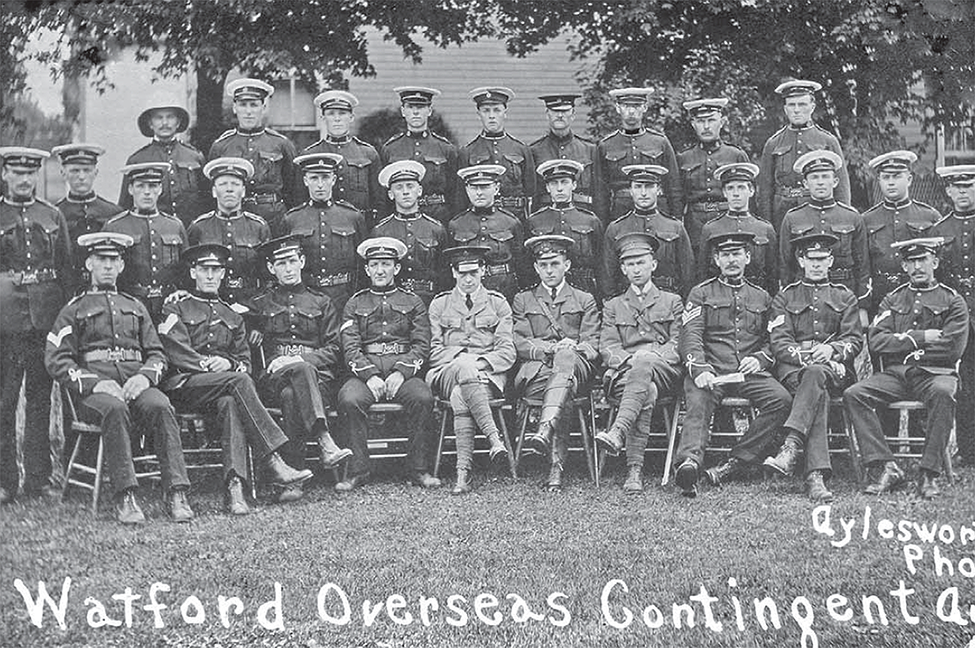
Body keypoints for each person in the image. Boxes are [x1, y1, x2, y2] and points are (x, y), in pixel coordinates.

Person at [45, 232, 192, 524]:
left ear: (122, 266)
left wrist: (146, 378)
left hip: (135, 383)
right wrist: (94, 382)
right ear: (89, 264)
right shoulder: (74, 309)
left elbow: (157, 353)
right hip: (95, 393)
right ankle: (125, 495)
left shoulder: (136, 307)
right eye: (102, 260)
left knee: (161, 406)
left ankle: (176, 491)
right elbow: (55, 358)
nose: (108, 266)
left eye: (114, 260)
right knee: (114, 408)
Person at [158, 243, 313, 514]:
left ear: (222, 274)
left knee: (231, 402)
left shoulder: (232, 315)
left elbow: (244, 362)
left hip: (222, 390)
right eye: (204, 270)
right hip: (185, 385)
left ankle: (235, 489)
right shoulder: (176, 307)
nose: (209, 276)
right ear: (193, 272)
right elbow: (175, 351)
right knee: (237, 384)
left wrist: (229, 362)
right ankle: (274, 460)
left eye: (215, 270)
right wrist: (213, 367)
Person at [845, 237, 969, 499]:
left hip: (936, 374)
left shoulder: (952, 300)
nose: (917, 267)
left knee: (944, 393)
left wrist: (902, 345)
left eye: (923, 260)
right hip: (897, 375)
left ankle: (928, 473)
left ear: (934, 262)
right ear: (903, 266)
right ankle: (885, 466)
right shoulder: (892, 299)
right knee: (855, 394)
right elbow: (877, 341)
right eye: (911, 262)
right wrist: (921, 337)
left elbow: (952, 347)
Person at [672, 232, 791, 498]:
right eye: (725, 255)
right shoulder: (700, 293)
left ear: (747, 258)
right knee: (698, 400)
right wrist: (699, 369)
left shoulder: (762, 297)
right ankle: (689, 464)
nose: (731, 260)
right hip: (712, 370)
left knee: (781, 400)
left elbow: (773, 339)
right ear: (716, 260)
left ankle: (738, 460)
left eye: (737, 254)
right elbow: (690, 335)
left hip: (748, 373)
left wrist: (760, 358)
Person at [248, 235, 351, 502]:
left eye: (292, 261)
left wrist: (303, 361)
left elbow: (334, 348)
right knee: (288, 387)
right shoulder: (260, 304)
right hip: (275, 377)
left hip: (316, 381)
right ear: (271, 268)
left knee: (293, 394)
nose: (289, 268)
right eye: (281, 264)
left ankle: (294, 478)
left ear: (302, 261)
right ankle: (324, 440)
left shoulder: (321, 302)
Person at [336, 237, 440, 491]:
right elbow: (349, 346)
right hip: (365, 371)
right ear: (367, 269)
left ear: (397, 268)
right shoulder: (355, 303)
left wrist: (401, 373)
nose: (380, 270)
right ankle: (358, 470)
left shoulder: (413, 301)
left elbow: (421, 344)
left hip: (402, 369)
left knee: (422, 398)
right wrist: (369, 374)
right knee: (349, 400)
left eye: (386, 264)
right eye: (374, 264)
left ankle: (418, 469)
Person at [765, 233, 862, 502]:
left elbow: (854, 339)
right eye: (811, 259)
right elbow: (779, 341)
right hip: (796, 371)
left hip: (835, 370)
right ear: (801, 261)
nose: (817, 264)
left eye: (822, 259)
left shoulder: (845, 296)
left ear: (830, 261)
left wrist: (833, 350)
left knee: (817, 378)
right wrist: (811, 356)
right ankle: (815, 476)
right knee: (816, 383)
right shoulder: (785, 297)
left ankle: (791, 446)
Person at [0, 147, 71, 504]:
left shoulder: (52, 214)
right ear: (5, 175)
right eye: (17, 173)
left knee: (40, 399)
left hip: (45, 316)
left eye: (30, 174)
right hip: (5, 321)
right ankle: (5, 482)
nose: (24, 180)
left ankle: (39, 478)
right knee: (4, 400)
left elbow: (66, 268)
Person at [594, 232, 683, 493]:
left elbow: (678, 345)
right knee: (647, 390)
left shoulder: (672, 301)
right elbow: (608, 349)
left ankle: (618, 432)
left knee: (644, 362)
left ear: (653, 264)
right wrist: (634, 364)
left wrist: (647, 357)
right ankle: (634, 470)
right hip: (626, 378)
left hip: (665, 372)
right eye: (630, 264)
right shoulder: (613, 306)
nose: (636, 269)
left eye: (641, 262)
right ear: (622, 269)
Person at [427, 245, 516, 494]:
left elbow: (507, 352)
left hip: (486, 377)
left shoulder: (498, 304)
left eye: (474, 273)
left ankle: (461, 474)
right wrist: (464, 361)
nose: (468, 279)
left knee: (460, 396)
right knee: (463, 368)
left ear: (483, 271)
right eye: (462, 273)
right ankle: (494, 439)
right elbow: (434, 352)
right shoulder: (440, 304)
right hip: (446, 372)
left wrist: (477, 365)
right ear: (453, 272)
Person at [513, 235, 600, 491]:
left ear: (567, 265)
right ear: (536, 268)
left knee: (566, 367)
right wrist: (554, 348)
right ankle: (556, 466)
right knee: (564, 386)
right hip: (537, 373)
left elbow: (592, 345)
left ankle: (544, 432)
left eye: (555, 263)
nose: (549, 271)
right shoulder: (524, 300)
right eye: (544, 265)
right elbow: (520, 343)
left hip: (577, 368)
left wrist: (571, 349)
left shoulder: (584, 299)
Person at [779, 151, 869, 316]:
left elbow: (862, 266)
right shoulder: (793, 218)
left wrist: (862, 307)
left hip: (843, 293)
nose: (820, 182)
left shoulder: (852, 217)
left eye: (825, 176)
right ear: (805, 183)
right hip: (803, 296)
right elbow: (785, 265)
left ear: (835, 181)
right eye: (814, 177)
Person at [275, 152, 366, 314]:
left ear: (334, 180)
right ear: (305, 181)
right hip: (306, 300)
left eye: (325, 177)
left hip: (344, 297)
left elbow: (362, 263)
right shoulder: (292, 219)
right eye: (314, 178)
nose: (320, 185)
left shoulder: (352, 217)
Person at [757, 79, 851, 231]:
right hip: (782, 211)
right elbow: (765, 191)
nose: (796, 110)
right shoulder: (773, 143)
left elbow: (842, 188)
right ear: (785, 109)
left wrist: (843, 220)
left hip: (818, 210)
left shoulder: (827, 141)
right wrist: (767, 225)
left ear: (812, 107)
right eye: (792, 105)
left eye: (802, 104)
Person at [103, 162, 187, 322]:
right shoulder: (115, 226)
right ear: (130, 189)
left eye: (153, 186)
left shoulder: (174, 225)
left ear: (160, 189)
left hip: (168, 306)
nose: (147, 192)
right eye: (140, 186)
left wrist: (181, 292)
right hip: (130, 306)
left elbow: (186, 270)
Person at [209, 78, 298, 228]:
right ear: (235, 108)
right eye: (243, 105)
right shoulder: (221, 146)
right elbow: (211, 190)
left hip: (273, 217)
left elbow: (294, 188)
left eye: (254, 105)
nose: (248, 111)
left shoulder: (281, 144)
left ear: (263, 107)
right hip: (234, 217)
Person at [931, 164, 975, 464]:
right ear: (948, 190)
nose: (962, 192)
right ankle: (969, 451)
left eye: (968, 186)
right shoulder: (939, 230)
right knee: (966, 382)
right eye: (957, 187)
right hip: (958, 318)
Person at [187, 157, 270, 305]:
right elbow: (188, 271)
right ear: (214, 191)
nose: (229, 189)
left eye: (235, 184)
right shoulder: (199, 227)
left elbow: (269, 273)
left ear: (243, 191)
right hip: (211, 304)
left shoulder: (259, 226)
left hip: (251, 302)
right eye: (223, 184)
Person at [602, 164, 694, 298]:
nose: (643, 193)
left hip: (667, 299)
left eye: (649, 186)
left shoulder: (675, 227)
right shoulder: (616, 228)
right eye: (638, 187)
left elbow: (688, 274)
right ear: (631, 191)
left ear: (658, 189)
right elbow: (607, 275)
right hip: (627, 300)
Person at [593, 87, 682, 223]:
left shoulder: (660, 142)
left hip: (657, 211)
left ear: (645, 107)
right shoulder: (606, 145)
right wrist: (603, 224)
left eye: (636, 106)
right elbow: (600, 192)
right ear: (618, 108)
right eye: (626, 106)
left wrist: (676, 219)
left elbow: (673, 185)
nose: (631, 111)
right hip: (620, 212)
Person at [371, 160, 449, 305]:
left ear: (419, 191)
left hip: (429, 300)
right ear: (390, 194)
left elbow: (444, 273)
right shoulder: (380, 231)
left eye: (410, 186)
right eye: (399, 187)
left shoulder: (436, 229)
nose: (405, 192)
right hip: (393, 302)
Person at [677, 98, 750, 252]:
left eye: (711, 120)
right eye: (701, 121)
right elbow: (677, 197)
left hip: (728, 221)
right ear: (693, 124)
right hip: (695, 224)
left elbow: (749, 196)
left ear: (722, 122)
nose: (706, 126)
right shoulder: (684, 158)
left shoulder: (736, 155)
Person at [526, 159, 605, 300]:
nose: (559, 188)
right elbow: (528, 261)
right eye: (554, 183)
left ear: (574, 185)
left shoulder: (590, 220)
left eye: (564, 182)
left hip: (584, 285)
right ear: (547, 188)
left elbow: (600, 260)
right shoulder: (535, 221)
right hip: (547, 288)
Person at [447, 164, 527, 301]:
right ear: (466, 190)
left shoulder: (511, 222)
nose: (479, 193)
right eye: (474, 187)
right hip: (469, 289)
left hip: (504, 288)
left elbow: (521, 264)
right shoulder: (456, 224)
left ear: (496, 188)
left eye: (484, 187)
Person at [118, 103, 207, 225]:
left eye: (170, 117)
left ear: (178, 122)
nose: (165, 123)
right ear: (150, 123)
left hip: (191, 231)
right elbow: (126, 206)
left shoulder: (194, 157)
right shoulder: (138, 159)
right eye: (159, 118)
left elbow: (207, 202)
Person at [52, 143, 123, 294]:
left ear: (96, 173)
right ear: (63, 173)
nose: (81, 177)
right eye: (75, 171)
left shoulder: (113, 212)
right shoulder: (55, 214)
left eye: (87, 170)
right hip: (68, 289)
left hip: (106, 289)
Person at [380, 86, 458, 225]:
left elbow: (455, 193)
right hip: (401, 217)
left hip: (438, 216)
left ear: (429, 111)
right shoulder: (390, 149)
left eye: (421, 107)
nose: (415, 112)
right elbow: (384, 195)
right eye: (410, 107)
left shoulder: (445, 149)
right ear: (403, 111)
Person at [302, 90, 382, 225]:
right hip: (322, 224)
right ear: (322, 117)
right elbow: (300, 198)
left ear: (351, 117)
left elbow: (379, 199)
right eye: (331, 114)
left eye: (342, 113)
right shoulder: (310, 154)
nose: (337, 119)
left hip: (361, 224)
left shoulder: (367, 153)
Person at [698, 162, 778, 295]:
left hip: (756, 298)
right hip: (719, 297)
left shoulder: (765, 229)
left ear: (751, 191)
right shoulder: (711, 229)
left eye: (741, 187)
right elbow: (703, 273)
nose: (736, 194)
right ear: (724, 192)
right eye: (730, 188)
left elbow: (773, 275)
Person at [459, 87, 535, 220]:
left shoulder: (521, 150)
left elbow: (531, 193)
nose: (492, 116)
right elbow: (461, 197)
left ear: (505, 113)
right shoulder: (468, 152)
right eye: (486, 111)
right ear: (479, 115)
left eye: (497, 110)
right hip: (480, 219)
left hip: (515, 217)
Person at [529, 94, 596, 209]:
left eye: (564, 111)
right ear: (547, 114)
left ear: (573, 115)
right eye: (555, 111)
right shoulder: (534, 150)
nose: (560, 115)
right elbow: (531, 193)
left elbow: (599, 193)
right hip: (546, 216)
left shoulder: (589, 149)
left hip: (582, 216)